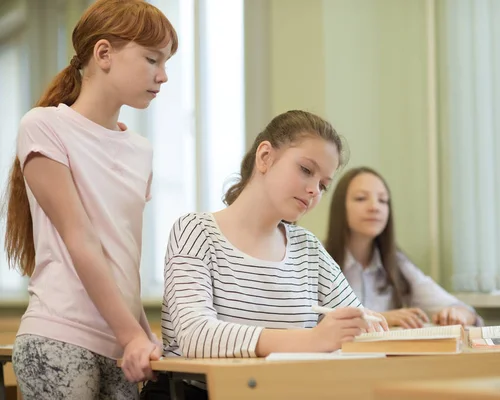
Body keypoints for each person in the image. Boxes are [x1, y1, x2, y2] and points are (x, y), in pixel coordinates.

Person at [140, 111, 388, 399]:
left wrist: (361, 326)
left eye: (323, 185)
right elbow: (197, 336)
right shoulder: (195, 231)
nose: (313, 191)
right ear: (265, 157)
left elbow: (358, 328)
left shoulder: (308, 249)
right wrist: (313, 340)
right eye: (306, 170)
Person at [2, 1, 178, 398]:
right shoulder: (44, 126)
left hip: (122, 346)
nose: (163, 76)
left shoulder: (140, 149)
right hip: (59, 338)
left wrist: (142, 338)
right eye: (152, 59)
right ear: (103, 54)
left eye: (166, 63)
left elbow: (123, 254)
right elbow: (80, 238)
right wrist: (133, 335)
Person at [325, 167, 483, 329]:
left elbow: (465, 311)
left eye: (383, 200)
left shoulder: (397, 263)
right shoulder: (318, 260)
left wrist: (457, 314)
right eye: (361, 198)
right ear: (340, 207)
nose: (375, 207)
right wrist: (382, 318)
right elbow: (307, 325)